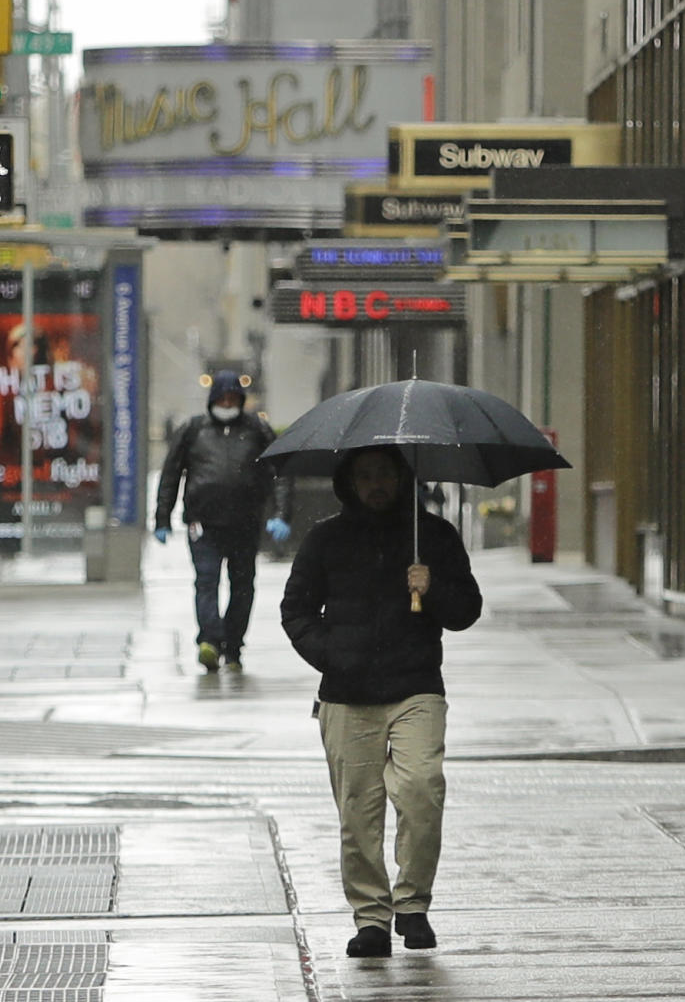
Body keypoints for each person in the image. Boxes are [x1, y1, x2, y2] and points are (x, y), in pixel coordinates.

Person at [280, 445, 482, 958]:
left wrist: (431, 587)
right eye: (365, 476)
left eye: (385, 475)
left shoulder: (432, 535)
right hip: (347, 695)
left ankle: (412, 905)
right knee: (358, 812)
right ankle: (371, 917)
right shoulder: (326, 538)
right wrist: (332, 655)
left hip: (416, 686)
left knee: (420, 789)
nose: (376, 485)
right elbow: (296, 609)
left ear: (402, 478)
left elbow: (466, 610)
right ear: (349, 482)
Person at [154, 370, 292, 673]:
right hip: (203, 524)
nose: (227, 403)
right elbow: (171, 474)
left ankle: (233, 645)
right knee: (206, 581)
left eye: (233, 398)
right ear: (213, 399)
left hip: (245, 522)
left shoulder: (257, 429)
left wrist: (281, 514)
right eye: (222, 398)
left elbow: (279, 472)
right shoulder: (193, 430)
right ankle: (211, 642)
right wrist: (162, 517)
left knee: (242, 587)